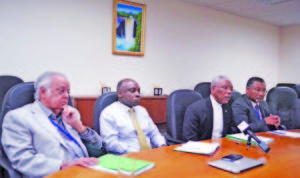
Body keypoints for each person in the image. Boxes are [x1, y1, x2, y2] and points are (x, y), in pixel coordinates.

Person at [1, 72, 102, 177]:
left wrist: (79, 127)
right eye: (61, 91)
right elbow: (22, 160)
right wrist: (63, 166)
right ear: (43, 92)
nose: (67, 96)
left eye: (68, 92)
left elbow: (100, 149)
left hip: (86, 171)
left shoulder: (69, 114)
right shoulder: (18, 117)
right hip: (55, 174)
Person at [100, 79, 166, 154]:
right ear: (119, 94)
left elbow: (154, 133)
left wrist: (162, 145)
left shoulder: (142, 111)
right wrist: (137, 153)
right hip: (125, 158)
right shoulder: (109, 113)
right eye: (132, 91)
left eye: (138, 91)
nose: (137, 94)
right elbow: (111, 143)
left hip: (149, 155)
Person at [183, 76, 235, 141]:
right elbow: (190, 138)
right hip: (201, 148)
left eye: (231, 89)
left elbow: (229, 133)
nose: (229, 92)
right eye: (225, 88)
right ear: (213, 89)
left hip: (222, 147)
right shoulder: (195, 109)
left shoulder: (228, 109)